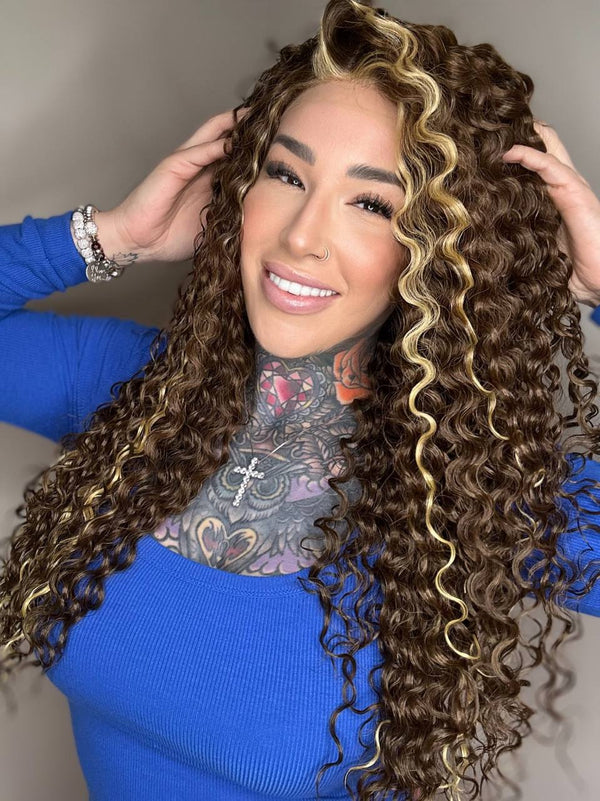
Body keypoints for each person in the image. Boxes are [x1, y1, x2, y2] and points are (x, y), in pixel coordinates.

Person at [1, 1, 600, 799]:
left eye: (373, 204)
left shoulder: (478, 492)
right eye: (286, 175)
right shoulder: (136, 394)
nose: (301, 236)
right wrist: (116, 236)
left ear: (446, 252)